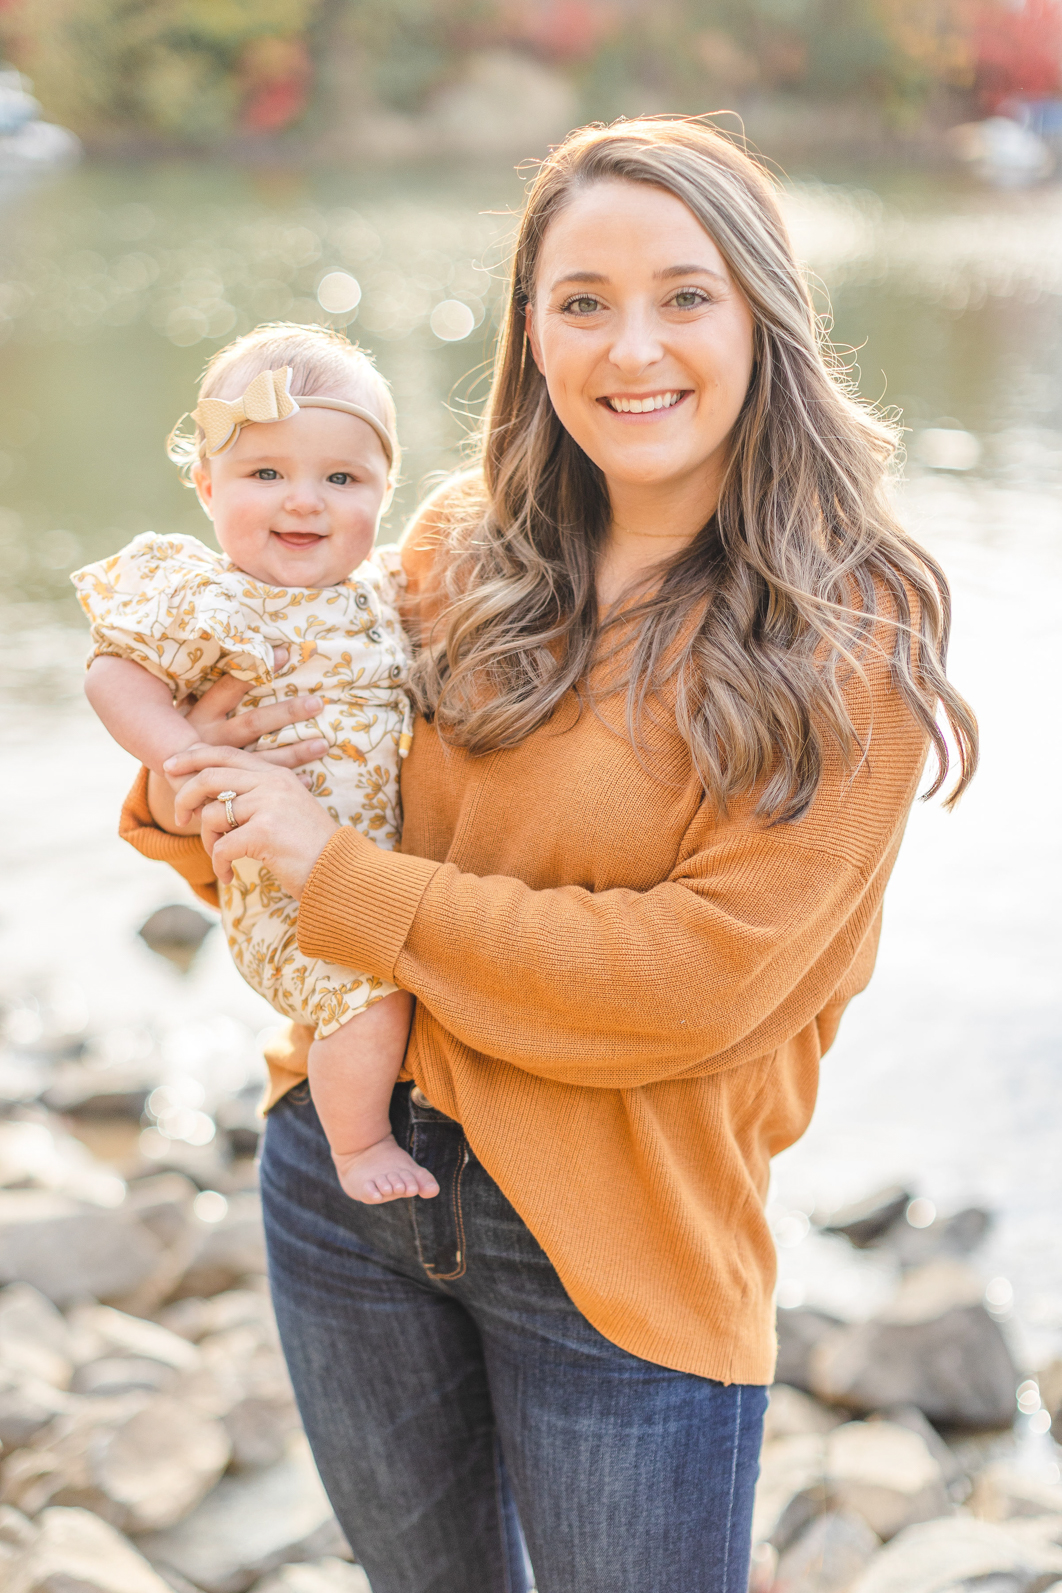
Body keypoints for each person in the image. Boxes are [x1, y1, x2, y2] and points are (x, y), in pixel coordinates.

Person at [120, 118, 977, 1593]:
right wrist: (197, 768)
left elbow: (688, 982)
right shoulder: (461, 543)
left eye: (682, 295)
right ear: (531, 329)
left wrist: (338, 872)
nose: (628, 348)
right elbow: (304, 813)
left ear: (764, 308)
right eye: (580, 300)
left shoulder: (853, 632)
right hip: (346, 1175)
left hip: (622, 1256)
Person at [74, 324, 439, 1204]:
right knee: (371, 995)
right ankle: (355, 1147)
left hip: (364, 869)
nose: (304, 502)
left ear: (386, 493)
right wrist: (182, 752)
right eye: (266, 474)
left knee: (385, 982)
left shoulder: (385, 593)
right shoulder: (208, 597)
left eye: (341, 479)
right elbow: (111, 673)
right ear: (207, 486)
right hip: (284, 892)